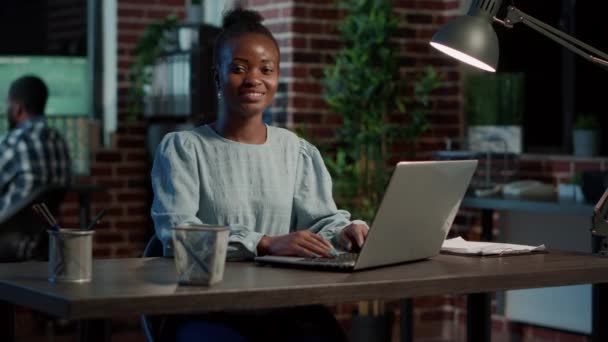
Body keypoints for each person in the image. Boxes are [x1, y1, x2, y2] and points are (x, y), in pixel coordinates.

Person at [151, 8, 369, 341]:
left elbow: (321, 220)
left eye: (266, 69)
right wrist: (265, 243)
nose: (254, 79)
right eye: (239, 69)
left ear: (277, 77)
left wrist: (345, 231)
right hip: (209, 308)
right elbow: (178, 233)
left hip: (285, 305)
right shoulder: (183, 148)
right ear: (216, 77)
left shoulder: (295, 150)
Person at [0, 75, 71, 261]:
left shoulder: (14, 142)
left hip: (6, 243)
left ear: (17, 108)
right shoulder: (59, 142)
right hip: (43, 242)